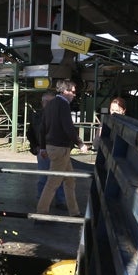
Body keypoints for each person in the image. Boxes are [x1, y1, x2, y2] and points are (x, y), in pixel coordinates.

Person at [35, 80, 82, 218]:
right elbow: (68, 127)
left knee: (69, 180)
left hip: (52, 147)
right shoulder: (63, 105)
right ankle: (41, 213)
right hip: (61, 149)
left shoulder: (50, 104)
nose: (74, 94)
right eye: (72, 91)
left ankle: (74, 212)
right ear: (65, 91)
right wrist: (80, 143)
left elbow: (42, 128)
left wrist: (43, 148)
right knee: (53, 182)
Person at [28, 93, 65, 210]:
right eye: (46, 102)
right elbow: (30, 133)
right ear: (42, 103)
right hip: (43, 152)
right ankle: (42, 201)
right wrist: (35, 147)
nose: (48, 104)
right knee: (43, 178)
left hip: (58, 151)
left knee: (59, 177)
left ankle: (60, 201)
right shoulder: (36, 117)